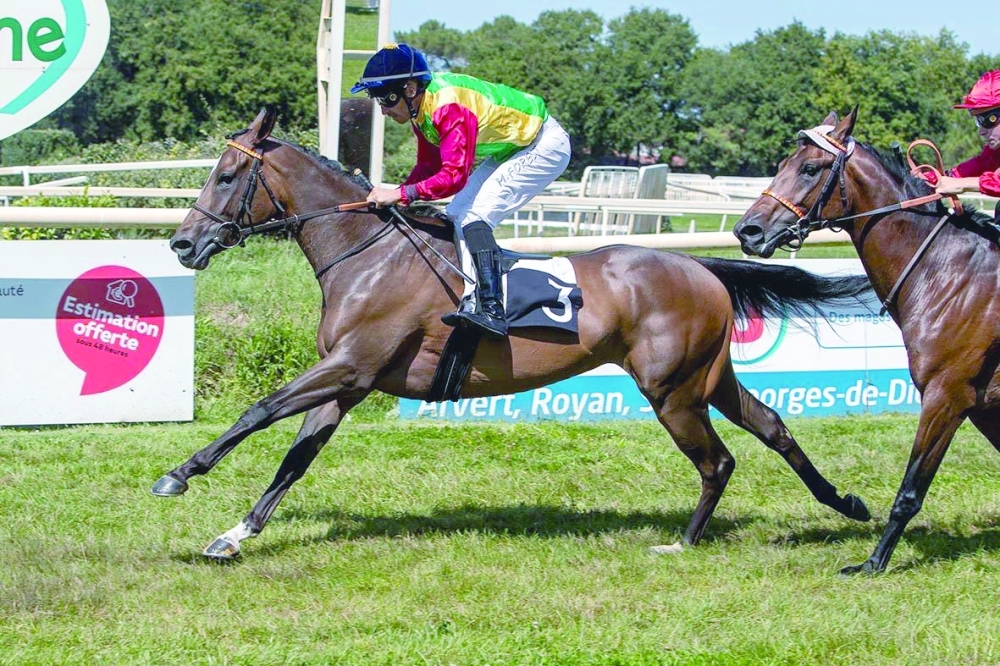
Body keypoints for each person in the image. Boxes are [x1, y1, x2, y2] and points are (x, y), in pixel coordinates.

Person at [351, 43, 572, 338]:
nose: (383, 110)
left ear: (410, 89)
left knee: (475, 217)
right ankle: (470, 296)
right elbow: (429, 167)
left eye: (386, 99)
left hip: (544, 145)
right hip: (513, 148)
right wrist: (399, 197)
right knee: (456, 212)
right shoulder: (422, 110)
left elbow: (454, 177)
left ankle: (492, 310)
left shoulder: (448, 107)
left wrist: (401, 194)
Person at [929, 71, 1000, 230]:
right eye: (978, 121)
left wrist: (961, 184)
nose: (981, 131)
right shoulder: (996, 151)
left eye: (987, 120)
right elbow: (978, 165)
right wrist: (936, 177)